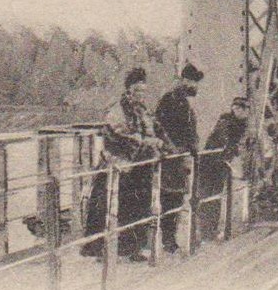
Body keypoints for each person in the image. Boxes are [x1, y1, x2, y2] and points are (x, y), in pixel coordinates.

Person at [83, 67, 165, 262]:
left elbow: (155, 131)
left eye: (144, 91)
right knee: (108, 206)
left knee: (138, 206)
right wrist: (147, 142)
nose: (141, 95)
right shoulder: (116, 111)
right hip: (118, 165)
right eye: (137, 91)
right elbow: (120, 136)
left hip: (140, 166)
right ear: (129, 90)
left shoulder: (144, 111)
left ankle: (132, 249)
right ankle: (101, 251)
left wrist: (162, 144)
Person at [153, 61, 205, 254]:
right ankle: (168, 240)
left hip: (181, 156)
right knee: (170, 196)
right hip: (172, 156)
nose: (195, 86)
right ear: (184, 80)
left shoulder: (182, 100)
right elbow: (160, 127)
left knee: (177, 196)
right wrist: (172, 148)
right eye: (192, 81)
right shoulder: (171, 99)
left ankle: (171, 239)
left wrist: (192, 147)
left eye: (196, 82)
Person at [197, 96, 251, 237]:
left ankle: (209, 230)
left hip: (220, 163)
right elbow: (223, 138)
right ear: (236, 109)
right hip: (210, 162)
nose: (247, 112)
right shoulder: (226, 121)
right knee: (209, 195)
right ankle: (205, 230)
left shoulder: (241, 123)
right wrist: (232, 149)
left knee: (215, 196)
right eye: (244, 109)